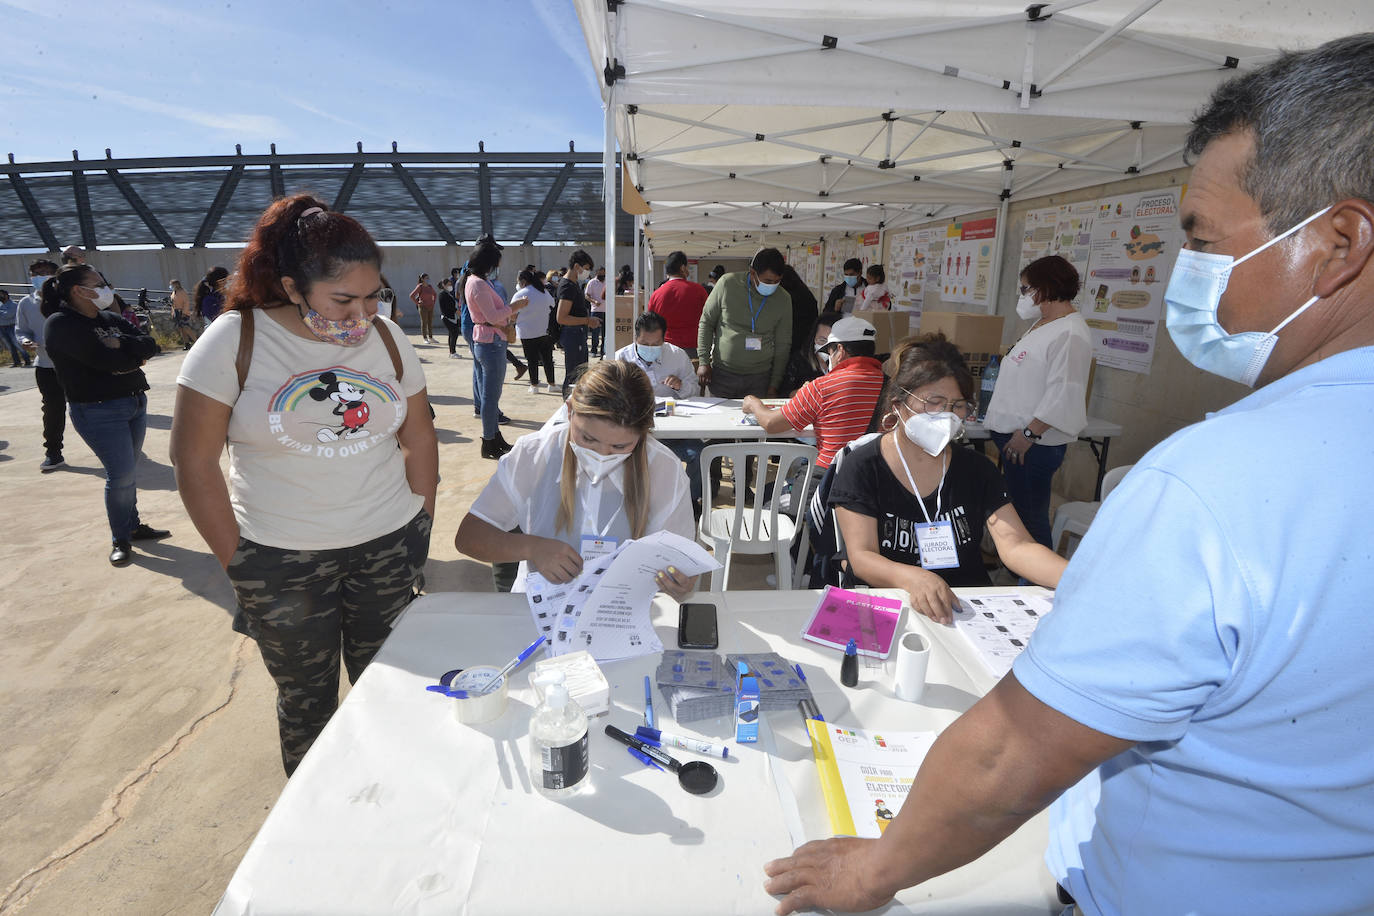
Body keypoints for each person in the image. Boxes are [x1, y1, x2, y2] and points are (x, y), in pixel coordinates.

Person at [762, 35, 1374, 915]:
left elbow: (1009, 755)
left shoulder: (1218, 482)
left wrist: (870, 873)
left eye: (1202, 241)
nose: (1186, 276)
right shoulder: (868, 465)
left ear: (1339, 243)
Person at [170, 194, 437, 776]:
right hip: (281, 559)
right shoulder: (234, 339)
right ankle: (320, 826)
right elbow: (193, 463)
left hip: (387, 546)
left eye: (372, 296)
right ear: (292, 287)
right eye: (343, 299)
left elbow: (418, 433)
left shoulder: (388, 338)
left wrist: (421, 520)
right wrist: (237, 559)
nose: (360, 314)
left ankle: (389, 796)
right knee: (307, 703)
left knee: (391, 687)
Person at [824, 333, 1066, 622]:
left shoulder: (977, 469)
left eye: (957, 405)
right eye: (933, 402)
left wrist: (1077, 579)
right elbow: (861, 556)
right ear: (898, 404)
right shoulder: (863, 467)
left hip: (962, 609)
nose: (946, 415)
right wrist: (913, 578)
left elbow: (1016, 546)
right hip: (892, 606)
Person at [455, 360, 695, 599]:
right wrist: (532, 547)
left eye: (619, 446)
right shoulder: (534, 453)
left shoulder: (665, 470)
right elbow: (469, 536)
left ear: (644, 434)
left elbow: (684, 564)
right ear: (569, 411)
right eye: (588, 439)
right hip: (539, 607)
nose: (602, 454)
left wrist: (680, 581)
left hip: (622, 611)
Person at [41, 263, 169, 566]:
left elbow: (151, 346)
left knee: (128, 472)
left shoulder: (111, 319)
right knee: (121, 475)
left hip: (135, 403)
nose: (105, 287)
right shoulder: (60, 324)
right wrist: (131, 357)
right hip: (98, 409)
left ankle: (133, 526)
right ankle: (121, 538)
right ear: (78, 291)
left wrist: (124, 344)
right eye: (98, 283)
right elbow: (102, 361)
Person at [983, 254, 1092, 549]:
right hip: (1017, 440)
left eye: (1025, 288)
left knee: (1030, 520)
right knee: (1018, 515)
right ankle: (1022, 576)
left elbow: (1063, 392)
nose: (1022, 296)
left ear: (1045, 287)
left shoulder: (1070, 332)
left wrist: (1029, 434)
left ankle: (1037, 588)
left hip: (1032, 444)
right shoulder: (1043, 325)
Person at [742, 315, 886, 487]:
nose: (828, 358)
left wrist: (754, 404)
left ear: (840, 350)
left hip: (830, 480)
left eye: (829, 352)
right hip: (875, 481)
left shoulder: (822, 386)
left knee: (768, 496)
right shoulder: (893, 386)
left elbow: (771, 423)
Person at [697, 247, 793, 398]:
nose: (772, 286)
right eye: (767, 281)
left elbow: (783, 344)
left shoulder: (784, 299)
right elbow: (706, 322)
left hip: (759, 378)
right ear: (753, 273)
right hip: (723, 375)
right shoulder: (727, 284)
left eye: (777, 282)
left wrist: (774, 384)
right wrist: (703, 361)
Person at [462, 237, 516, 459]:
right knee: (490, 397)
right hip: (490, 342)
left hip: (490, 341)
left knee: (491, 395)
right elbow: (492, 316)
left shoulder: (477, 282)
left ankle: (494, 436)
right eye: (496, 263)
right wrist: (514, 307)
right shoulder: (478, 284)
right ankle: (488, 441)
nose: (498, 267)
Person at [16, 259, 65, 470]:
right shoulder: (26, 303)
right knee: (53, 410)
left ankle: (109, 448)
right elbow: (21, 330)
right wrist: (25, 341)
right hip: (45, 365)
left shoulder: (68, 298)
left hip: (75, 364)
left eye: (46, 272)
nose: (40, 276)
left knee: (88, 407)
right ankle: (53, 452)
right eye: (36, 273)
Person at [647, 250, 710, 359]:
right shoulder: (698, 290)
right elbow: (709, 318)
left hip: (664, 347)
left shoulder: (656, 294)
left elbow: (650, 322)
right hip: (691, 347)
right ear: (682, 268)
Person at [556, 249, 600, 397]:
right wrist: (587, 320)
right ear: (577, 266)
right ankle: (569, 410)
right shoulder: (568, 286)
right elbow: (561, 317)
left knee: (580, 375)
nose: (587, 272)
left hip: (576, 334)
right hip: (572, 334)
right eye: (586, 269)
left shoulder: (573, 284)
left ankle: (574, 409)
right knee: (574, 376)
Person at [512, 267, 557, 393]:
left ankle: (534, 385)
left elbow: (512, 314)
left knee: (532, 360)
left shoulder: (520, 294)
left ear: (523, 281)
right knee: (547, 359)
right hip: (544, 330)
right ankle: (552, 384)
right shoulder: (543, 291)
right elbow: (552, 305)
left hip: (527, 332)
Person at [782, 310, 841, 396]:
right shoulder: (799, 360)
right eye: (822, 340)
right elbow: (784, 393)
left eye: (832, 343)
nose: (826, 347)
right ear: (813, 338)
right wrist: (801, 392)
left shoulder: (846, 364)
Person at [0, 290, 30, 367]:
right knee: (10, 346)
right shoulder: (0, 306)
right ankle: (16, 362)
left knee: (17, 344)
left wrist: (1, 313)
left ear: (6, 295)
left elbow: (8, 315)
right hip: (2, 327)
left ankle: (27, 360)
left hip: (11, 327)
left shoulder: (13, 304)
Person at [584, 265, 607, 357]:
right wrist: (594, 301)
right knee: (595, 332)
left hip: (607, 311)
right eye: (601, 273)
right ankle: (594, 350)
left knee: (605, 333)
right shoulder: (592, 282)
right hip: (596, 310)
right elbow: (587, 295)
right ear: (596, 273)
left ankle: (603, 350)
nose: (602, 275)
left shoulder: (608, 282)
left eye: (604, 273)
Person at [169, 279, 198, 350]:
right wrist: (173, 312)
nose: (171, 286)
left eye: (172, 284)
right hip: (176, 312)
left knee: (186, 328)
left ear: (177, 284)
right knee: (181, 329)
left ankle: (197, 342)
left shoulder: (182, 292)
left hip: (183, 312)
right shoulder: (173, 292)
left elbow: (186, 303)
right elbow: (173, 304)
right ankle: (186, 343)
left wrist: (184, 313)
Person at [437, 276, 461, 358]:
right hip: (447, 317)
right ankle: (452, 352)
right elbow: (449, 306)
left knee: (452, 333)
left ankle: (452, 352)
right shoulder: (442, 294)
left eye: (451, 284)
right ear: (444, 285)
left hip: (452, 317)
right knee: (454, 333)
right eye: (448, 284)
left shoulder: (448, 294)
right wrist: (457, 311)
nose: (450, 286)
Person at [409, 273, 437, 343]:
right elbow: (411, 295)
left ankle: (431, 337)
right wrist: (417, 303)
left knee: (430, 322)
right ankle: (425, 338)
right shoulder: (420, 286)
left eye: (428, 278)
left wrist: (433, 302)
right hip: (423, 307)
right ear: (422, 279)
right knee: (424, 322)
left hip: (430, 306)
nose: (428, 279)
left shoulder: (430, 286)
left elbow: (435, 294)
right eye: (426, 278)